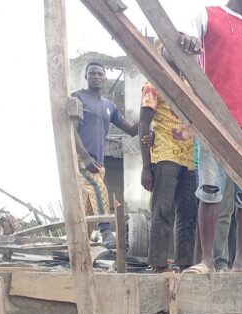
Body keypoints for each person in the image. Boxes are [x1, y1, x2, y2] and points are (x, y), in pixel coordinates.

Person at [178, 0, 242, 274]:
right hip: (214, 119)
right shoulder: (207, 15)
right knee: (210, 190)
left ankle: (241, 261)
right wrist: (186, 42)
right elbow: (182, 45)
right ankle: (207, 260)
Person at [139, 46, 197, 273]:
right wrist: (146, 167)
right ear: (163, 52)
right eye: (172, 48)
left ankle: (185, 263)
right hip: (165, 154)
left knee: (188, 212)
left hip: (190, 157)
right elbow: (144, 125)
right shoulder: (153, 83)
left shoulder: (191, 86)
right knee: (163, 211)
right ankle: (159, 264)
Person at [72, 62, 138, 249]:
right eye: (92, 73)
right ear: (86, 77)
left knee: (87, 208)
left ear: (105, 78)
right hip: (81, 159)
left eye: (100, 74)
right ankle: (106, 232)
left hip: (99, 163)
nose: (96, 76)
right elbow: (72, 130)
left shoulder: (109, 106)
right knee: (98, 189)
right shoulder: (78, 98)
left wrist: (149, 116)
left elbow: (131, 130)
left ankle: (78, 245)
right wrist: (84, 157)